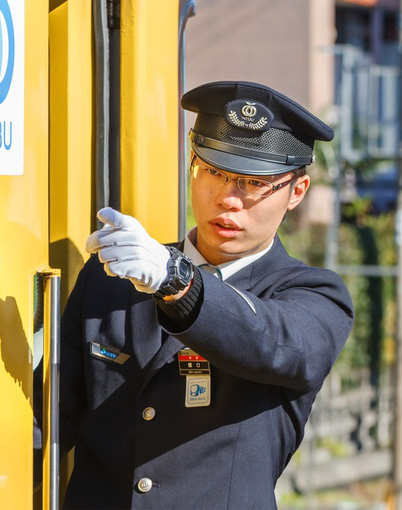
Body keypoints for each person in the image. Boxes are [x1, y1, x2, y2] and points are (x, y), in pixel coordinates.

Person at [49, 81, 354, 509]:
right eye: (215, 171)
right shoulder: (111, 277)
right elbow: (48, 422)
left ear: (296, 192)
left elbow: (274, 342)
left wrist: (176, 280)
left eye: (254, 183)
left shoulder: (313, 296)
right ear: (193, 164)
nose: (228, 199)